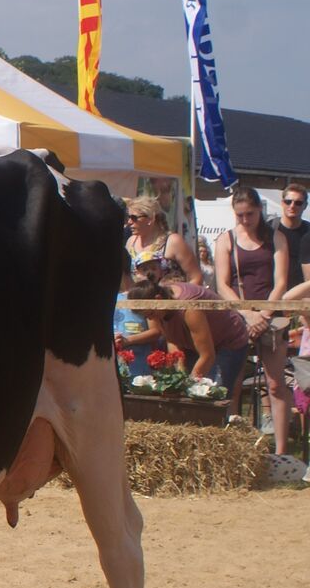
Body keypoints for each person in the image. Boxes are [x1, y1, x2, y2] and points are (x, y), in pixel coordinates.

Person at [216, 187, 292, 454]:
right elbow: (222, 284)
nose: (245, 220)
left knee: (276, 383)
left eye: (250, 214)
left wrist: (265, 313)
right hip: (239, 318)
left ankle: (281, 452)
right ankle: (235, 448)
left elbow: (281, 281)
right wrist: (246, 313)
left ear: (260, 210)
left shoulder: (276, 237)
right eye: (240, 215)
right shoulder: (225, 240)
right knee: (234, 384)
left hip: (271, 317)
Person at [125, 275, 250, 392]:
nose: (151, 320)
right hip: (195, 344)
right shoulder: (159, 306)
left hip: (228, 341)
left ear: (158, 299)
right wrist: (179, 371)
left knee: (212, 391)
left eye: (151, 314)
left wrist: (189, 384)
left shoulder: (189, 308)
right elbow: (172, 340)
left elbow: (207, 355)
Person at [124, 196, 201, 285]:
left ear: (150, 219)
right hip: (138, 298)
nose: (129, 222)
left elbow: (196, 278)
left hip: (170, 297)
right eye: (128, 217)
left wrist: (179, 296)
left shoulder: (173, 241)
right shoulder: (131, 242)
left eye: (134, 218)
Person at [270, 182, 309, 286]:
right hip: (273, 293)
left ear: (305, 205)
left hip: (302, 295)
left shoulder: (308, 232)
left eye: (298, 203)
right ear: (282, 203)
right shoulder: (269, 229)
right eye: (288, 201)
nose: (292, 206)